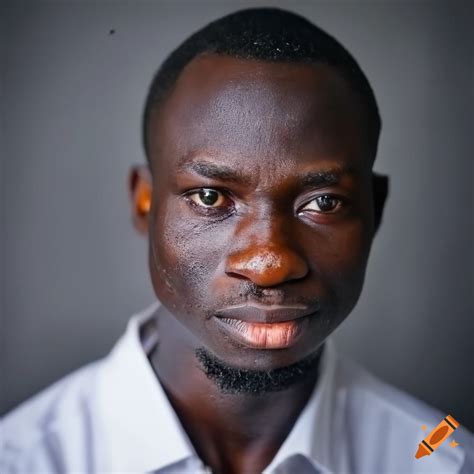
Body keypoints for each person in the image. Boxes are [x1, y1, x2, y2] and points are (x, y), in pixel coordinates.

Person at [1, 7, 472, 474]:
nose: (270, 264)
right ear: (145, 202)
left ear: (376, 211)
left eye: (324, 203)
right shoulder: (22, 462)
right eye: (210, 198)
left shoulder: (439, 461)